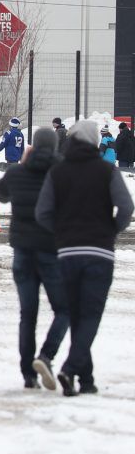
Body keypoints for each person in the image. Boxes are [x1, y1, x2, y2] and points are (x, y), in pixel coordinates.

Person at [36, 119, 134, 396]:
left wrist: (61, 234)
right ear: (94, 142)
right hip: (100, 252)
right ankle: (69, 369)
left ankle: (86, 380)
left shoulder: (58, 172)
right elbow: (126, 207)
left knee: (77, 314)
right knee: (90, 315)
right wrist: (111, 230)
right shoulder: (106, 171)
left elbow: (43, 213)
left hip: (67, 252)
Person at [0, 126, 69, 389]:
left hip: (22, 251)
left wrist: (21, 168)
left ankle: (28, 375)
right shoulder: (61, 173)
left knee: (28, 314)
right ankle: (46, 356)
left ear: (32, 146)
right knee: (64, 308)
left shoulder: (18, 172)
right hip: (51, 250)